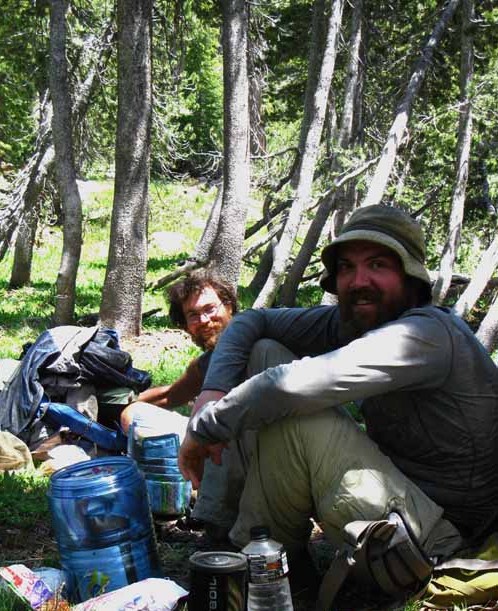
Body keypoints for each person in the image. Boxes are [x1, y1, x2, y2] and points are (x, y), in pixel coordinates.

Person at [178, 204, 498, 586]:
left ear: (411, 276)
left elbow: (288, 387)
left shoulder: (427, 336)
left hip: (437, 540)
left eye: (378, 264)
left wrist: (204, 428)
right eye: (347, 267)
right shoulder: (358, 319)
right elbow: (251, 320)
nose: (359, 280)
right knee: (263, 349)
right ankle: (220, 530)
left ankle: (264, 569)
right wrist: (210, 393)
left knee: (294, 411)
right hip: (397, 501)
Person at [121, 272, 241, 534]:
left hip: (247, 446)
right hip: (214, 442)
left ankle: (190, 498)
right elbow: (171, 395)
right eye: (193, 315)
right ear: (186, 326)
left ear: (229, 305)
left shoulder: (255, 343)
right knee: (134, 413)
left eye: (210, 309)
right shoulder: (205, 363)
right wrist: (124, 404)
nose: (205, 321)